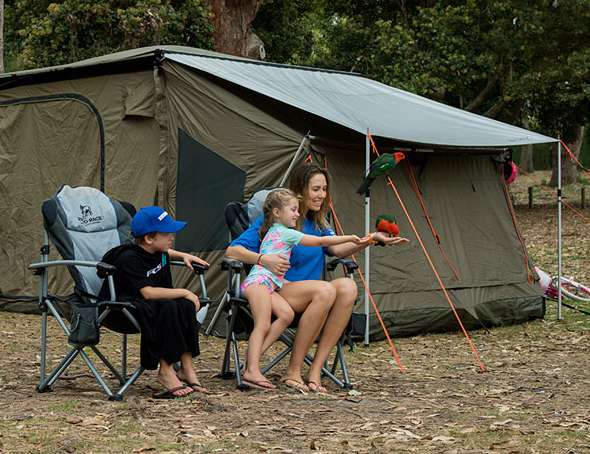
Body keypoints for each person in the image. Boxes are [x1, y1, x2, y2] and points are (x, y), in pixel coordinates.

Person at [226, 164, 408, 393]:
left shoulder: (319, 222)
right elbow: (232, 251)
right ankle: (293, 370)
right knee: (326, 290)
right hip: (279, 289)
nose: (322, 195)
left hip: (312, 295)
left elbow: (338, 250)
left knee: (348, 286)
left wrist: (372, 238)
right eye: (315, 189)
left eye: (324, 189)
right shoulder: (280, 222)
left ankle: (315, 371)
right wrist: (263, 259)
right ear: (300, 191)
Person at [240, 188, 371, 389]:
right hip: (259, 281)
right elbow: (319, 241)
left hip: (272, 283)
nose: (297, 214)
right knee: (263, 324)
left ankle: (252, 363)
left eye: (326, 189)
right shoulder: (285, 232)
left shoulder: (278, 229)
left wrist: (367, 240)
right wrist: (348, 237)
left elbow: (325, 243)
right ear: (276, 212)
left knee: (285, 315)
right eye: (293, 209)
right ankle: (252, 369)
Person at [101, 206, 211, 399]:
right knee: (169, 304)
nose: (172, 238)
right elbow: (149, 293)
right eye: (167, 234)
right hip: (120, 309)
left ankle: (186, 368)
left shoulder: (157, 251)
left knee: (184, 305)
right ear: (149, 238)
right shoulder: (128, 259)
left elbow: (164, 253)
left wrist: (184, 255)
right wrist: (185, 291)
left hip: (147, 306)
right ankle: (166, 371)